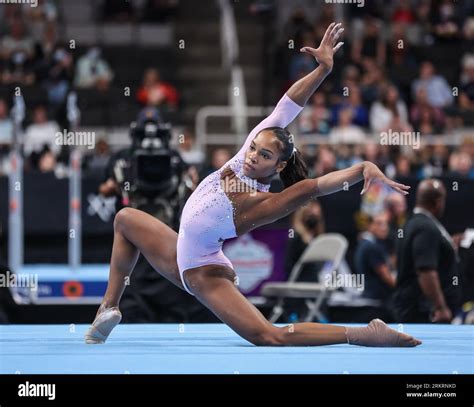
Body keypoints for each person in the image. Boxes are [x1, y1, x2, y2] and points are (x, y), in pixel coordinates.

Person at [85, 23, 421, 347]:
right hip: (180, 252)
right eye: (253, 148)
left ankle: (362, 334)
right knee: (126, 219)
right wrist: (322, 71)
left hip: (202, 272)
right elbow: (288, 105)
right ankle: (108, 309)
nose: (252, 156)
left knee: (270, 336)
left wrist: (361, 168)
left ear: (279, 164)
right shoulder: (242, 158)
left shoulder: (263, 202)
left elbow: (317, 186)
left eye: (263, 155)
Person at [393, 179, 462, 323]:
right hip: (423, 312)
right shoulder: (426, 228)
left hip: (416, 307)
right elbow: (426, 271)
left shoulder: (412, 222)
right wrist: (440, 307)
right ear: (438, 202)